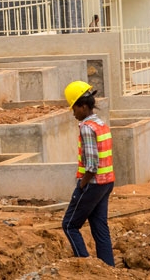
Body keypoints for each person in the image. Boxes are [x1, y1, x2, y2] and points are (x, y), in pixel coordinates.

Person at [61, 81, 115, 266]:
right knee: (100, 228)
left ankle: (85, 267)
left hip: (92, 184)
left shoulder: (86, 127)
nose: (73, 113)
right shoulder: (100, 123)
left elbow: (91, 166)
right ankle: (108, 270)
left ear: (83, 106)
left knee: (69, 225)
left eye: (74, 108)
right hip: (107, 183)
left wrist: (81, 185)